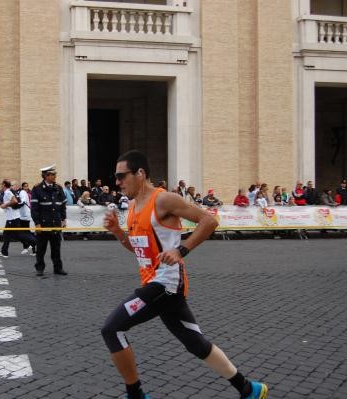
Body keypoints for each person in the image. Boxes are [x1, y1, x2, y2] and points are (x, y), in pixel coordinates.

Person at [102, 150, 268, 399]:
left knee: (112, 329)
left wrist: (182, 249)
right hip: (157, 285)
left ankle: (136, 395)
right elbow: (139, 251)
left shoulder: (164, 200)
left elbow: (208, 221)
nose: (117, 182)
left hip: (166, 285)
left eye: (121, 176)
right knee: (195, 342)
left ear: (140, 173)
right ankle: (249, 389)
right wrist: (117, 232)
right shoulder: (134, 206)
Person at [30, 164, 67, 276]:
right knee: (41, 248)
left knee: (56, 248)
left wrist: (63, 219)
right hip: (43, 224)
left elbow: (62, 205)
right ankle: (40, 268)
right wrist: (37, 223)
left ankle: (58, 268)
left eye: (55, 174)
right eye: (53, 175)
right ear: (46, 176)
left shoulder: (58, 188)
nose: (55, 176)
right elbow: (34, 209)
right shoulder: (37, 189)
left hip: (56, 223)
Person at [0, 179, 36, 258]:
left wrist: (5, 205)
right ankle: (4, 253)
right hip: (12, 217)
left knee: (19, 235)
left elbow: (14, 201)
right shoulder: (7, 192)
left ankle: (36, 242)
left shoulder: (7, 192)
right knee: (7, 235)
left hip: (13, 218)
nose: (1, 185)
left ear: (4, 185)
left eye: (1, 184)